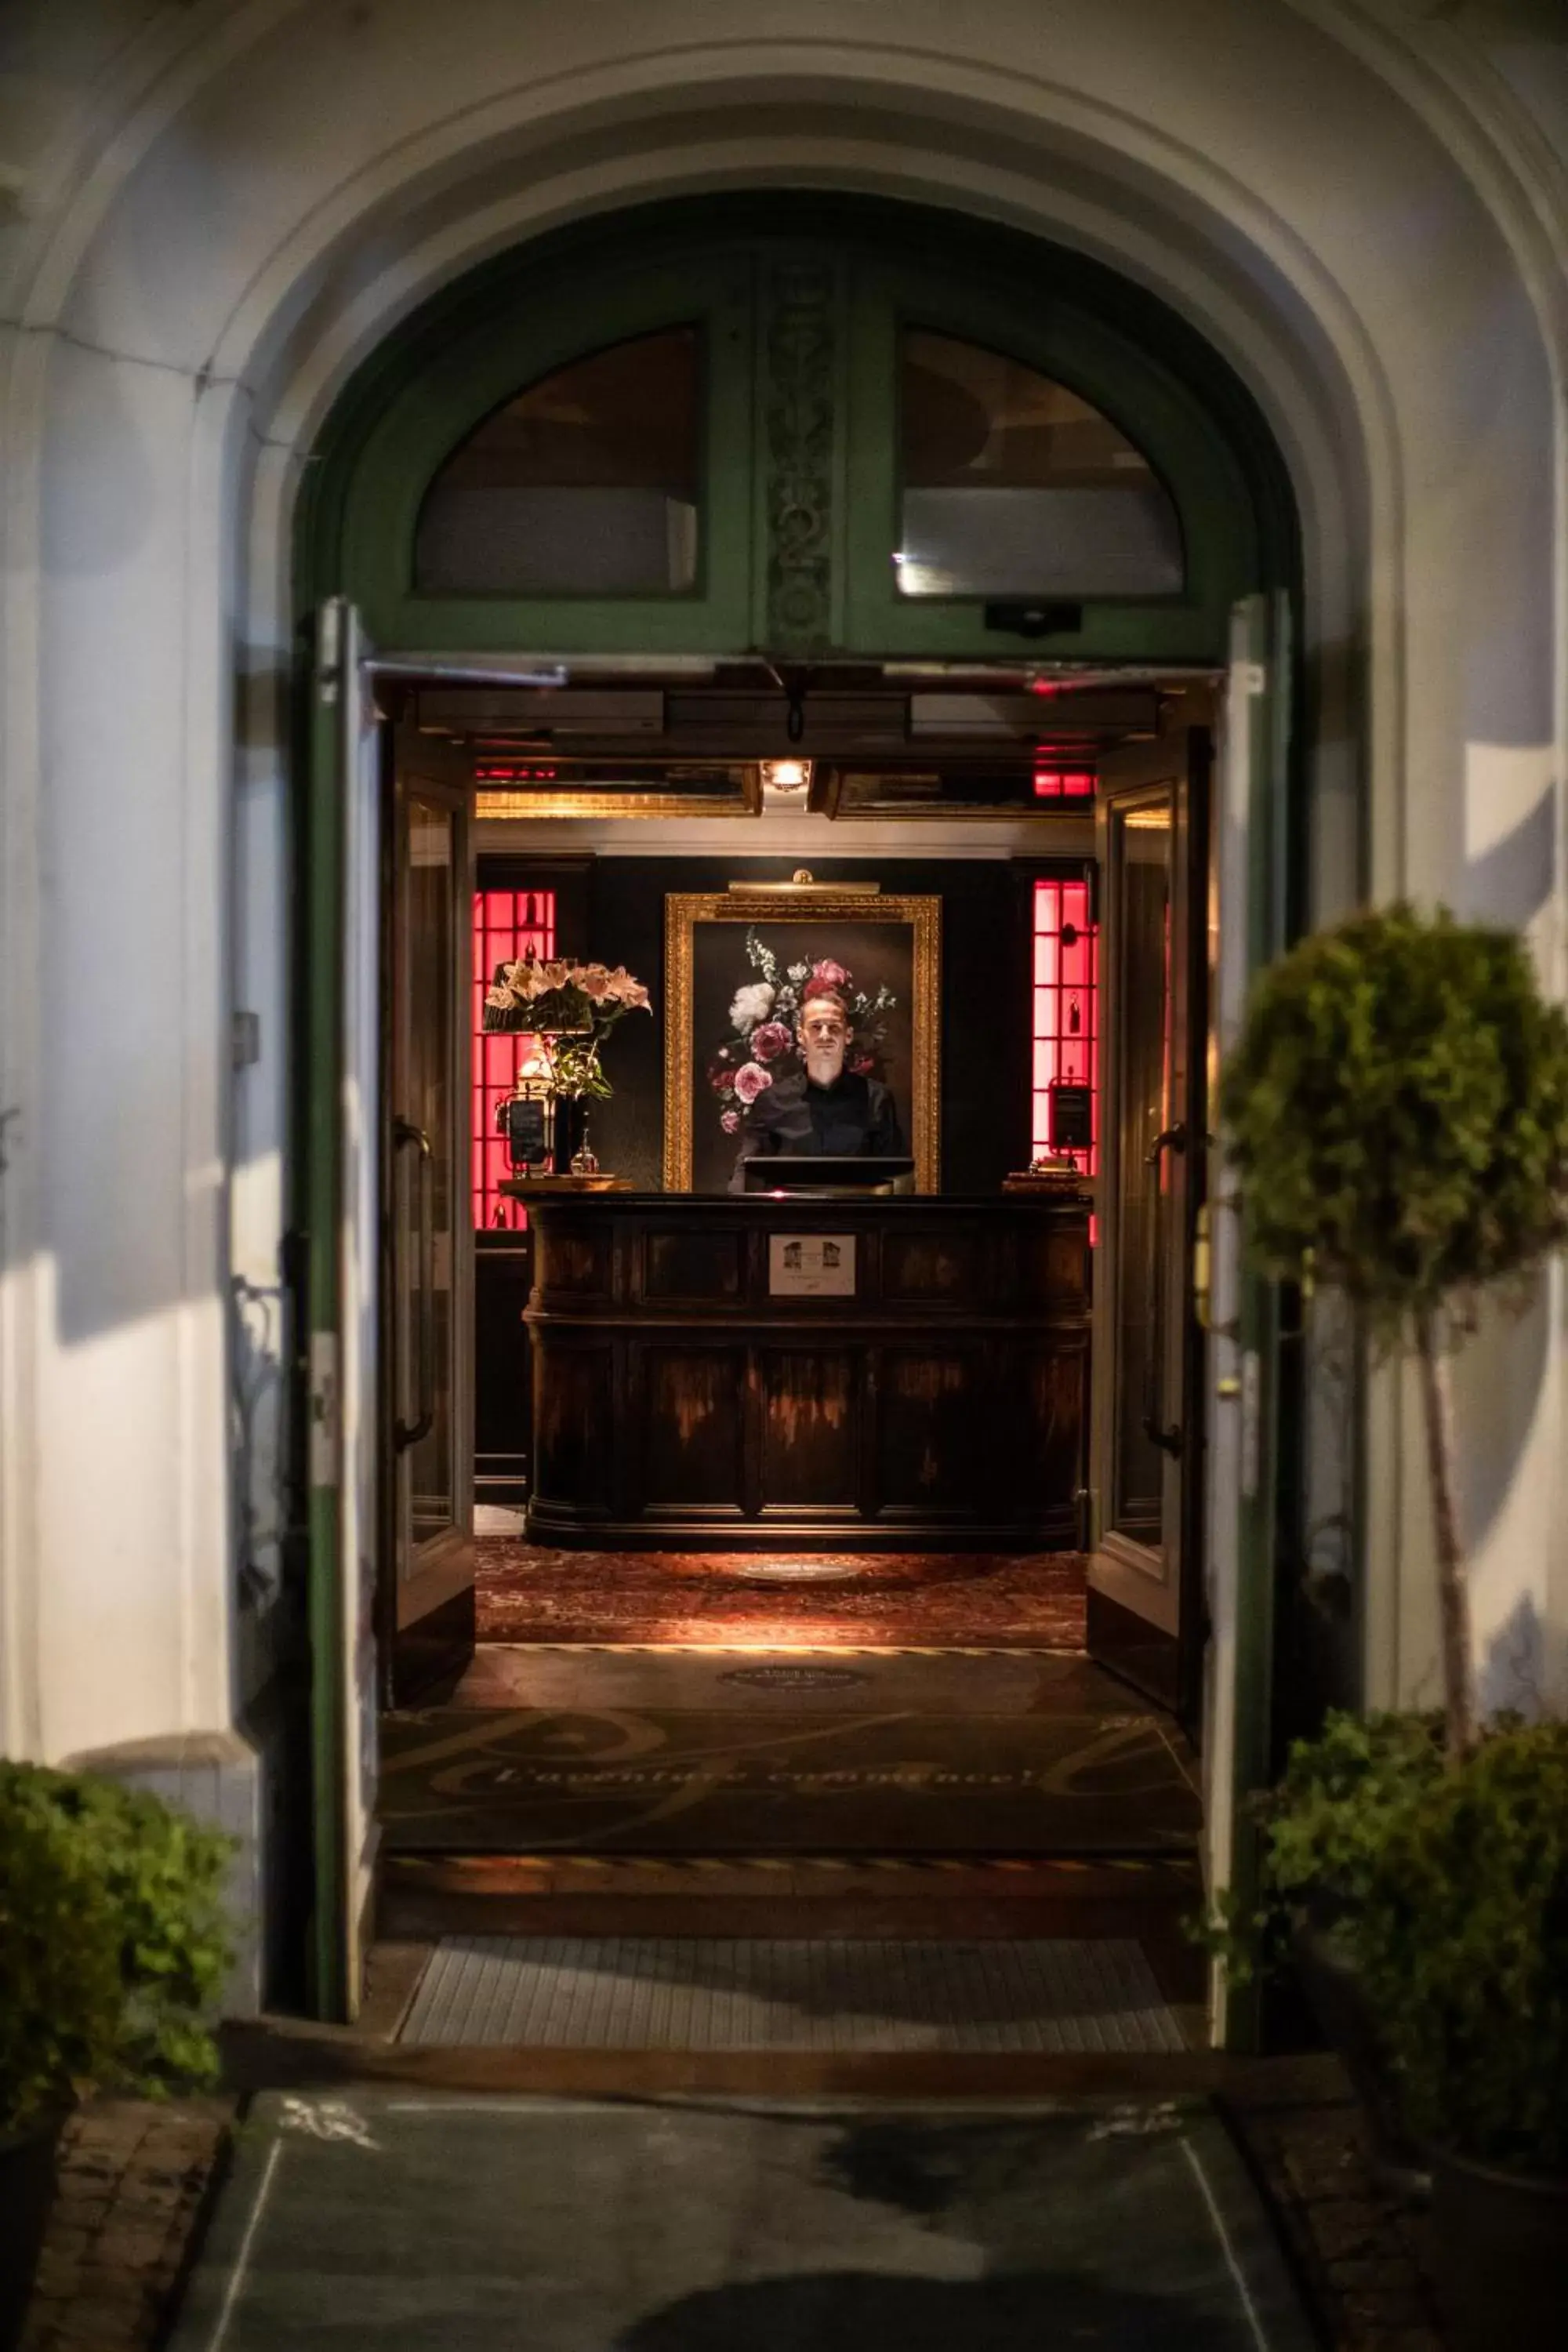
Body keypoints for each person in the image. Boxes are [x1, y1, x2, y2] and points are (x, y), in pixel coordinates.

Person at [730, 985, 904, 1188]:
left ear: (848, 1036)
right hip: (788, 1218)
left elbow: (898, 1177)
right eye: (815, 1026)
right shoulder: (771, 1101)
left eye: (834, 1027)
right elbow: (745, 1173)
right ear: (801, 1037)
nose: (824, 1035)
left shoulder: (877, 1099)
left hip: (857, 1217)